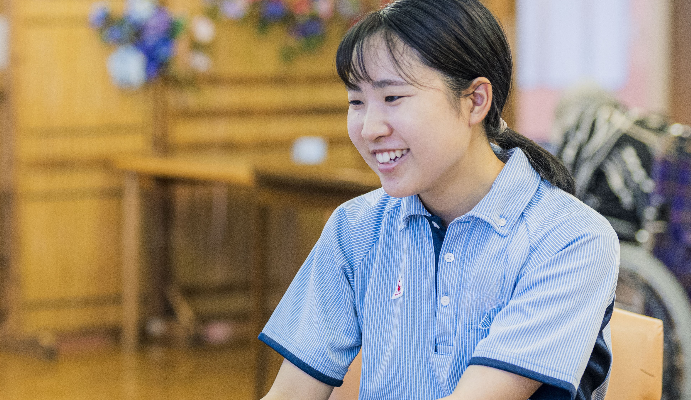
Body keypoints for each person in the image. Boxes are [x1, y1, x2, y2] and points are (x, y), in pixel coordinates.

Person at [258, 1, 619, 399]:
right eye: (356, 102)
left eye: (393, 97)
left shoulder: (571, 238)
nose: (369, 128)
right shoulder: (355, 229)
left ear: (475, 100)